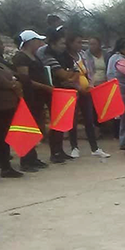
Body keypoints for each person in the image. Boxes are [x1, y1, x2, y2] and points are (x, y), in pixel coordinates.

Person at [64, 31, 111, 160]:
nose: (80, 45)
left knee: (89, 119)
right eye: (78, 42)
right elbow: (67, 77)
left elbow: (90, 72)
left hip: (86, 91)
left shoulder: (83, 56)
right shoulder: (65, 57)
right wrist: (78, 88)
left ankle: (94, 148)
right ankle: (74, 147)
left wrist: (90, 85)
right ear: (70, 43)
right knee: (72, 120)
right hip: (73, 92)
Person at [12, 30, 54, 172]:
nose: (39, 43)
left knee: (36, 125)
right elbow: (25, 79)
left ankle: (33, 157)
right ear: (30, 41)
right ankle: (26, 160)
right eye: (37, 40)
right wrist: (44, 87)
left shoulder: (34, 56)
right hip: (29, 96)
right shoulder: (20, 57)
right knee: (27, 127)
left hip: (38, 97)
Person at [41, 29, 78, 163]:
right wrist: (69, 74)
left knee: (63, 122)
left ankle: (60, 150)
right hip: (54, 92)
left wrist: (70, 75)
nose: (64, 46)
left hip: (65, 91)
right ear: (53, 44)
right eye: (61, 43)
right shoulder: (48, 57)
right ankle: (54, 152)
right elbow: (62, 74)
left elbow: (76, 72)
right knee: (56, 122)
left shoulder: (65, 56)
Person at [0, 42, 25, 183]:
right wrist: (11, 84)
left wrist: (14, 82)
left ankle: (6, 167)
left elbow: (14, 76)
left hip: (6, 107)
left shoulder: (1, 65)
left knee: (3, 139)